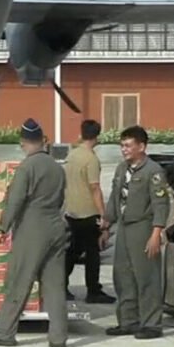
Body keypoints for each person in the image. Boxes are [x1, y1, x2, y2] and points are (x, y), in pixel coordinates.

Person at [0, 118, 68, 347]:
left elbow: (16, 199)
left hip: (33, 227)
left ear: (24, 142)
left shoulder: (27, 167)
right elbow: (60, 199)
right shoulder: (57, 167)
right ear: (42, 140)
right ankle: (58, 337)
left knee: (19, 279)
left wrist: (3, 226)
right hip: (56, 225)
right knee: (54, 285)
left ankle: (4, 332)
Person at [105, 126, 169, 340]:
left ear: (141, 146)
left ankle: (151, 323)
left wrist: (156, 233)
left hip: (143, 227)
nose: (124, 150)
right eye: (122, 145)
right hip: (123, 227)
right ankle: (128, 320)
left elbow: (161, 203)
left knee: (146, 276)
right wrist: (106, 225)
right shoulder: (122, 169)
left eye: (128, 145)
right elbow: (115, 197)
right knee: (123, 275)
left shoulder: (153, 171)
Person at [64, 120, 115, 304]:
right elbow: (95, 188)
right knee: (93, 252)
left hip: (72, 211)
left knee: (74, 249)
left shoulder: (72, 155)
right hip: (88, 212)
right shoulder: (91, 159)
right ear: (97, 135)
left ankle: (61, 285)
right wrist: (103, 215)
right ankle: (93, 290)